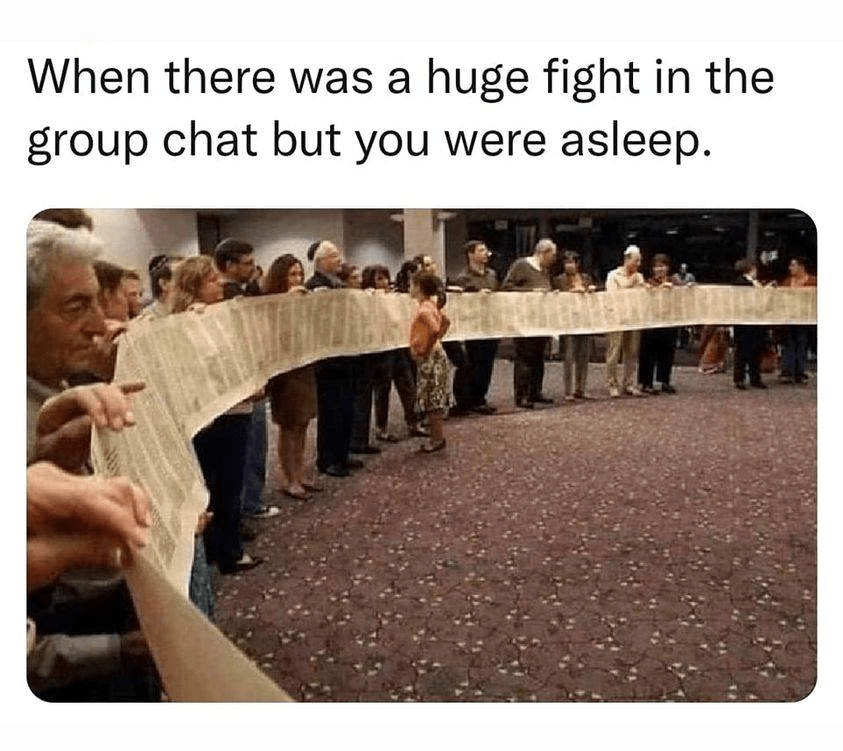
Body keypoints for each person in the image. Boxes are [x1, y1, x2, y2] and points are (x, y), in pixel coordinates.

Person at [171, 255, 264, 573]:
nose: (220, 283)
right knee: (225, 485)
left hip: (232, 407)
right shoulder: (193, 322)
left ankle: (219, 546)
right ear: (194, 286)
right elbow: (209, 365)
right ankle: (229, 552)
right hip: (221, 413)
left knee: (222, 484)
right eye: (211, 280)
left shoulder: (214, 315)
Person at [264, 254, 321, 501]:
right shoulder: (271, 303)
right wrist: (287, 302)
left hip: (304, 365)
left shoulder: (302, 301)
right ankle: (290, 479)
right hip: (285, 370)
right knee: (289, 425)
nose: (297, 279)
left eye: (299, 274)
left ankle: (299, 472)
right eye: (292, 274)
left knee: (303, 423)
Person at [306, 241, 362, 477]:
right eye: (333, 255)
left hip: (345, 353)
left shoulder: (338, 284)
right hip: (328, 359)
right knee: (331, 410)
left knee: (346, 407)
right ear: (321, 261)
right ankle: (327, 459)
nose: (339, 259)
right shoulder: (314, 286)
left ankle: (342, 453)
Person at [502, 238, 557, 408]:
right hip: (524, 320)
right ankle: (522, 395)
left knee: (538, 357)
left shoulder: (544, 270)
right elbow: (507, 287)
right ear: (543, 253)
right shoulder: (521, 265)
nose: (553, 260)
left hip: (540, 320)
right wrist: (531, 292)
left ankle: (535, 391)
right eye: (552, 256)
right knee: (524, 357)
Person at [450, 241, 500, 415]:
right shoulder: (463, 278)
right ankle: (465, 400)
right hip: (472, 326)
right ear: (471, 255)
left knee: (487, 364)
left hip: (491, 323)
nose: (486, 253)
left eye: (486, 250)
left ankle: (480, 398)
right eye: (481, 250)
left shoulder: (492, 275)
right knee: (472, 363)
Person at [409, 272, 451, 452]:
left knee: (432, 398)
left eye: (412, 284)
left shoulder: (424, 309)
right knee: (434, 396)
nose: (409, 288)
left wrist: (425, 348)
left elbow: (434, 329)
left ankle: (436, 439)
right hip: (436, 353)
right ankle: (437, 437)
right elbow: (445, 322)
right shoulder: (430, 305)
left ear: (419, 287)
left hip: (430, 356)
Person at [552, 250, 597, 401]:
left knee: (583, 356)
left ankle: (581, 388)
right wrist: (572, 291)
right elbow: (558, 297)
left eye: (571, 262)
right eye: (566, 262)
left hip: (584, 320)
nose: (569, 265)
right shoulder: (559, 279)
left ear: (577, 264)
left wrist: (590, 290)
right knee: (569, 356)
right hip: (568, 322)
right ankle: (568, 390)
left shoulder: (586, 278)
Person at [604, 245, 648, 398]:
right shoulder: (613, 275)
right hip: (616, 318)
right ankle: (612, 383)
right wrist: (631, 285)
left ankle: (628, 383)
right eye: (636, 260)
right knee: (614, 352)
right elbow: (613, 295)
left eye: (639, 261)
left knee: (632, 351)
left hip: (633, 318)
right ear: (627, 259)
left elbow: (641, 296)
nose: (638, 264)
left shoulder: (639, 277)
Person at [638, 253, 681, 394]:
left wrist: (686, 287)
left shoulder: (674, 281)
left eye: (662, 266)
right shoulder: (648, 282)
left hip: (669, 321)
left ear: (668, 267)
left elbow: (684, 294)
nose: (659, 269)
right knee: (648, 352)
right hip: (651, 322)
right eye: (656, 267)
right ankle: (646, 382)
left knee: (667, 352)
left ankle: (664, 381)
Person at [779, 256, 817, 384]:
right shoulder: (787, 282)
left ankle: (800, 372)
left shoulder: (813, 281)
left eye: (793, 265)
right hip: (789, 318)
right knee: (788, 344)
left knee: (802, 344)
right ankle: (787, 371)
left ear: (801, 267)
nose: (790, 268)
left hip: (805, 319)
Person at [732, 258, 767, 390]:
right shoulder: (741, 282)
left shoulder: (756, 282)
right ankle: (739, 378)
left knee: (756, 350)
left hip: (756, 320)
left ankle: (755, 378)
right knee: (743, 351)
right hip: (744, 321)